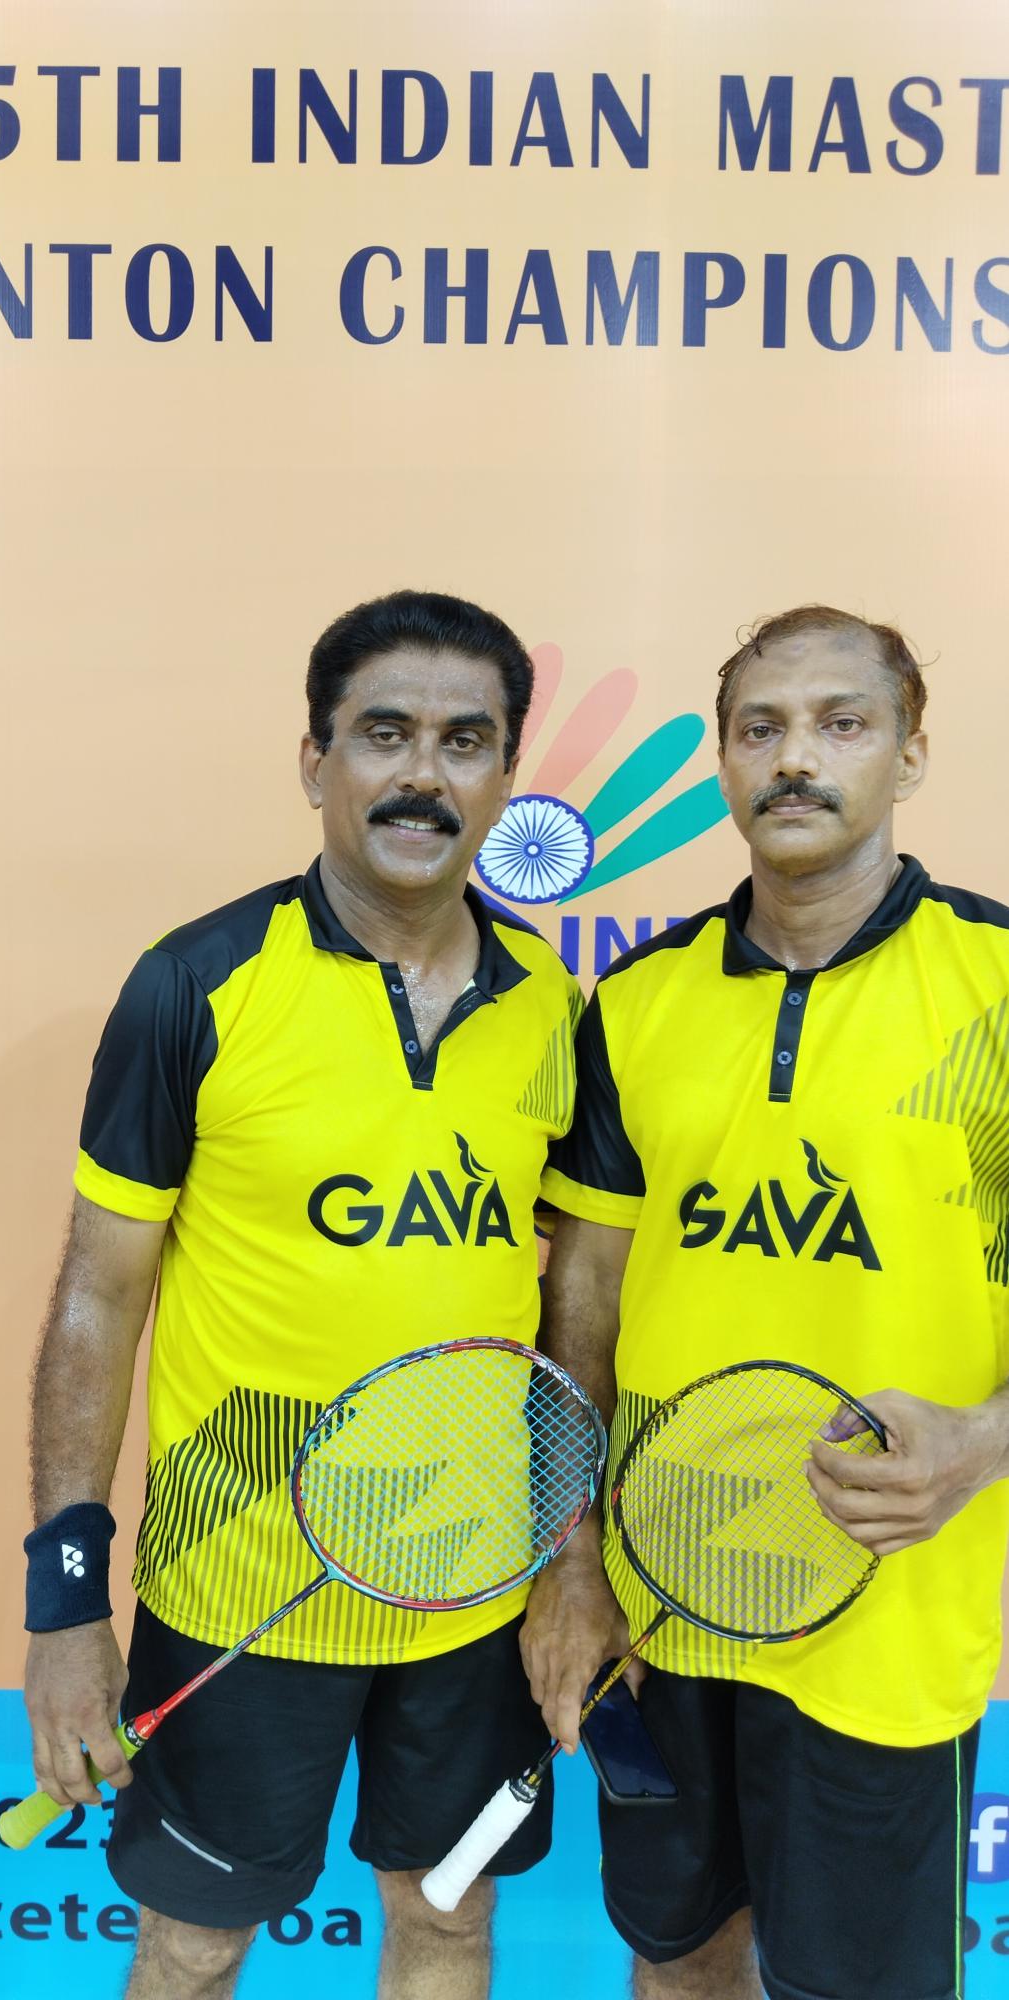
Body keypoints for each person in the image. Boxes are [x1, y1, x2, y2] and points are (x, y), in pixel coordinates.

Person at [23, 590, 584, 2000]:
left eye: (465, 741)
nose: (422, 774)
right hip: (240, 1585)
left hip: (473, 1596)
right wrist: (64, 1605)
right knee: (196, 1943)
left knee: (446, 1922)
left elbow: (581, 1290)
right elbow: (97, 1298)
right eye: (383, 733)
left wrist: (571, 1550)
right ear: (313, 759)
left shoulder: (552, 1005)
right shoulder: (196, 982)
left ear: (506, 775)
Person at [524, 604, 1009, 2000]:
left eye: (841, 723)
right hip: (663, 1605)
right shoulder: (640, 999)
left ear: (910, 755)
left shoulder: (993, 982)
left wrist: (982, 1443)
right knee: (677, 1958)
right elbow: (585, 1300)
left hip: (884, 1618)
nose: (796, 757)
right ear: (728, 763)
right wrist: (570, 1553)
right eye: (761, 728)